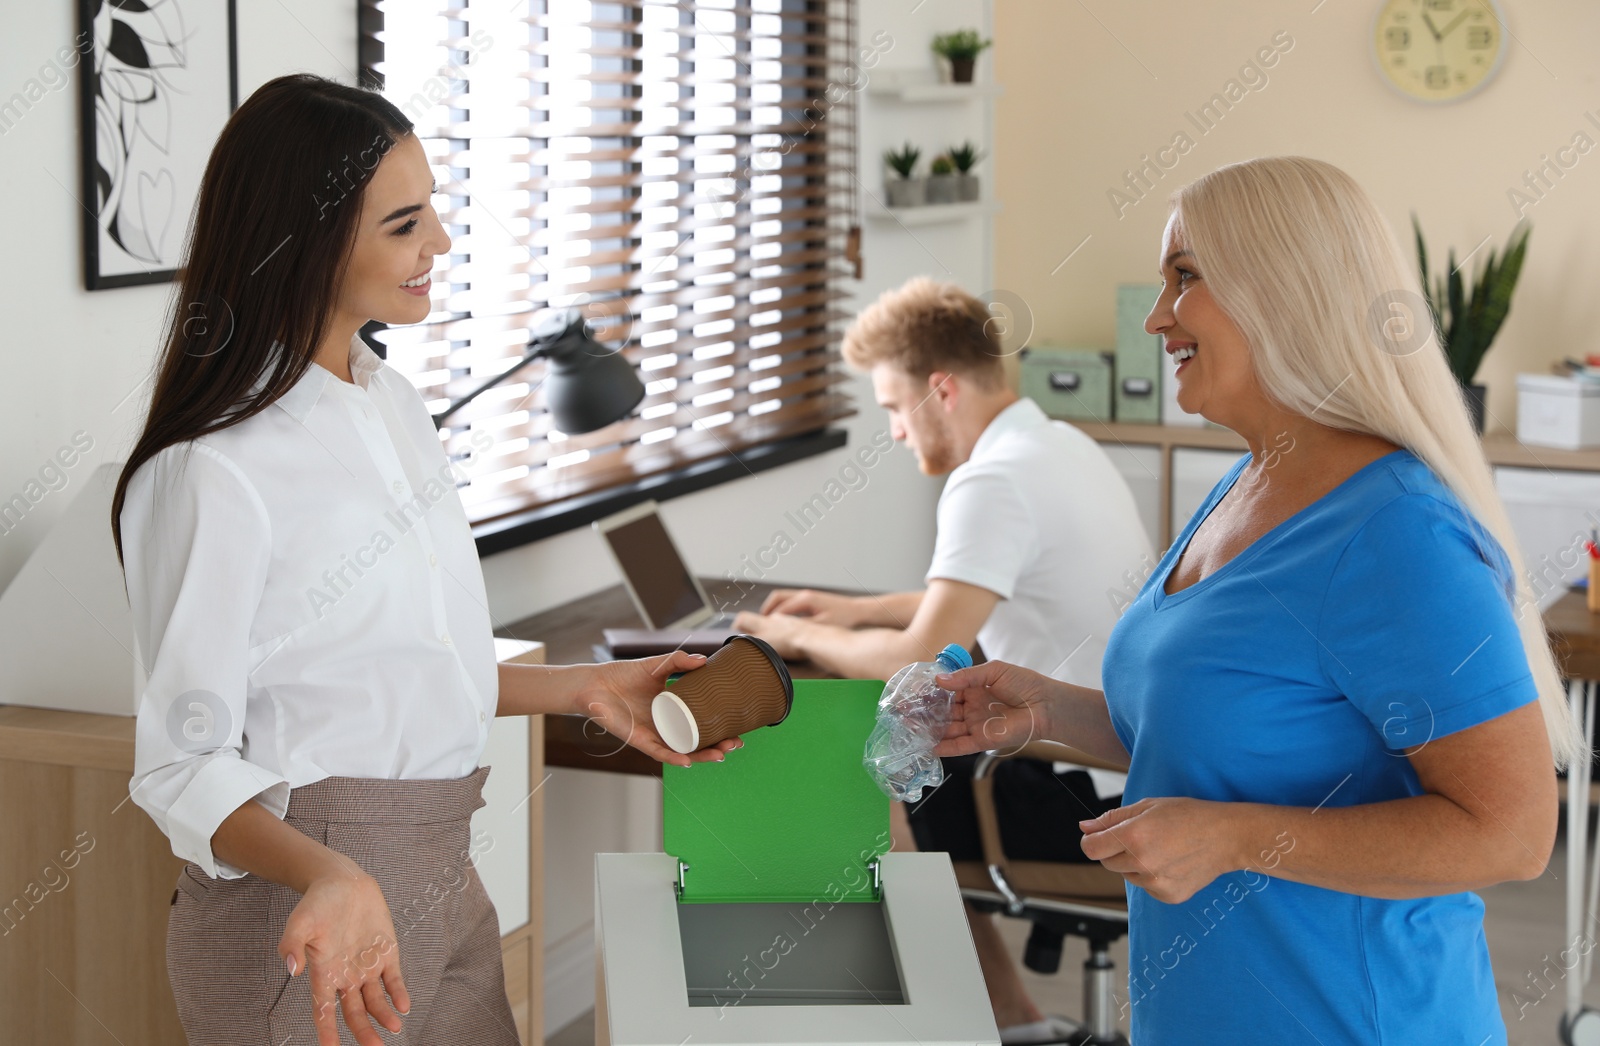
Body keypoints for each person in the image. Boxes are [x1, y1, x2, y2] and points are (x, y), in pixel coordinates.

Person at [113, 75, 740, 1046]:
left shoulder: (391, 403)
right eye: (406, 223)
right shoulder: (212, 468)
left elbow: (396, 671)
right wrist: (329, 871)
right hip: (310, 907)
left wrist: (592, 689)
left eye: (433, 210)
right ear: (310, 240)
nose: (440, 243)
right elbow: (180, 764)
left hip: (442, 865)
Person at [930, 156, 1584, 1044]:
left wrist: (1236, 839)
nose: (1158, 315)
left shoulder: (1397, 533)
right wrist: (1041, 707)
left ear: (1284, 289)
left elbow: (1510, 834)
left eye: (1186, 277)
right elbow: (1227, 730)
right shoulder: (1250, 481)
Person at [735, 276, 1153, 1042]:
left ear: (941, 390)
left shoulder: (993, 481)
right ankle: (1012, 1021)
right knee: (909, 766)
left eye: (894, 407)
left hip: (1080, 796)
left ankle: (981, 1023)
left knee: (877, 782)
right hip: (1122, 764)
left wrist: (797, 638)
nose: (894, 431)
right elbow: (965, 599)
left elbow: (914, 654)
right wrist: (850, 610)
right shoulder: (1054, 444)